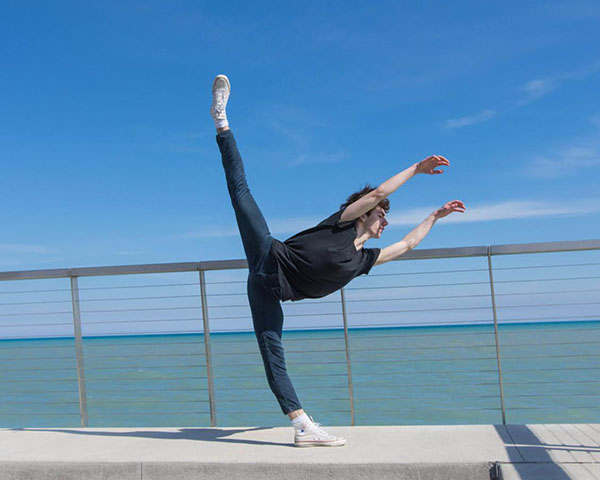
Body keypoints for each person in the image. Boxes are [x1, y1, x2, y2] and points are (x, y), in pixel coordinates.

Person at [209, 74, 466, 447]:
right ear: (364, 213)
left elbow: (408, 244)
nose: (385, 220)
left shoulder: (363, 260)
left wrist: (435, 216)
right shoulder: (343, 221)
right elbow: (379, 191)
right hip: (268, 253)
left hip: (270, 290)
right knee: (241, 191)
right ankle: (222, 121)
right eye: (381, 214)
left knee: (273, 355)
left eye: (385, 216)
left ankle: (300, 425)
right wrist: (415, 169)